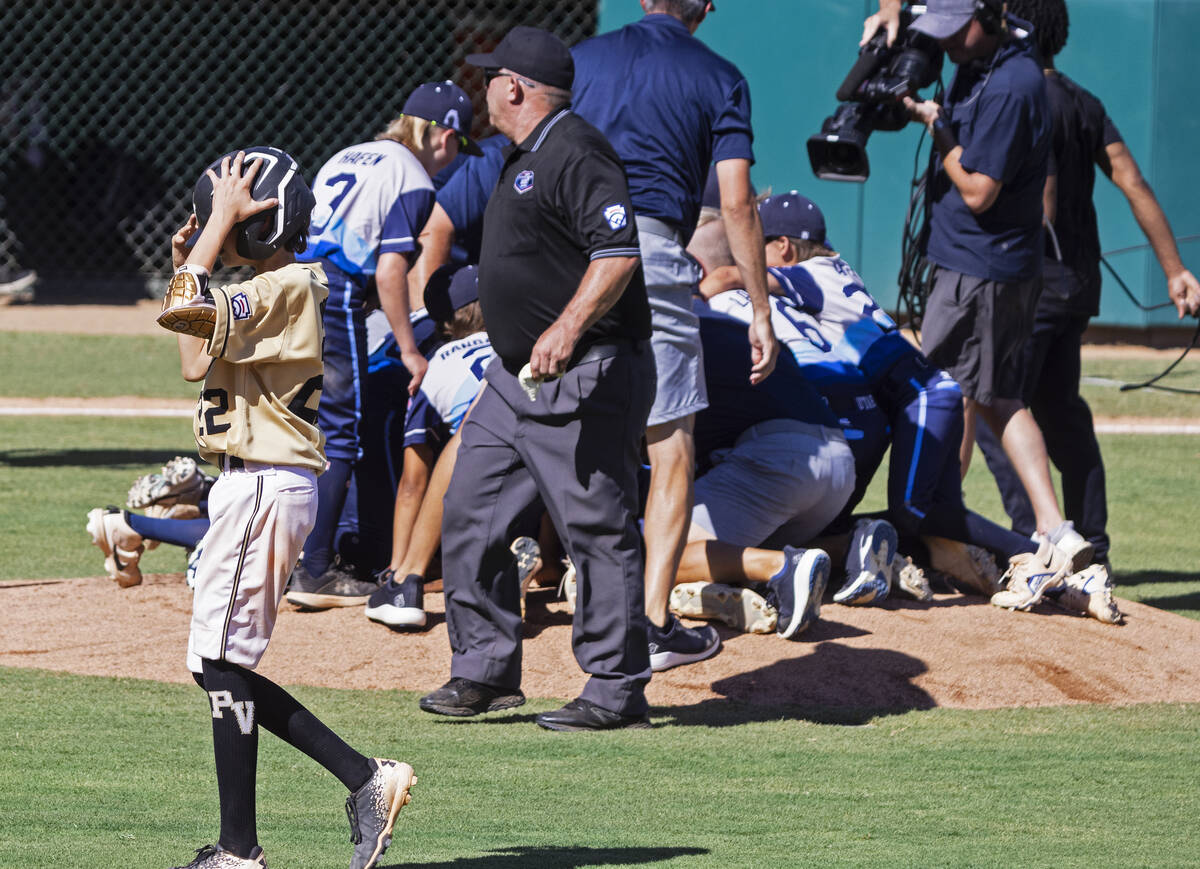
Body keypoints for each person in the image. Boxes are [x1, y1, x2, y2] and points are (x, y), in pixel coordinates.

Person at [158, 149, 415, 869]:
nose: (216, 220)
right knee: (217, 664)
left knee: (221, 660)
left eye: (231, 212)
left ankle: (245, 849)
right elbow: (189, 352)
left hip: (265, 483)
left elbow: (184, 308)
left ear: (261, 220)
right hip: (251, 485)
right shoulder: (268, 288)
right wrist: (199, 252)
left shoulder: (289, 283)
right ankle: (360, 780)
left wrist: (209, 242)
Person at [417, 27, 656, 732]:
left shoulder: (577, 149)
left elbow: (617, 253)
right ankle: (484, 669)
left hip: (583, 371)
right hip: (512, 378)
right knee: (469, 511)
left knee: (596, 527)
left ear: (514, 86)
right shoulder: (522, 154)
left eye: (491, 75)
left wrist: (567, 326)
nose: (484, 85)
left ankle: (615, 689)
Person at [570, 0, 780, 670]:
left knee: (559, 430)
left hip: (570, 252)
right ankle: (651, 625)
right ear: (707, 6)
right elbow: (738, 200)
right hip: (652, 247)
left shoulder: (584, 59)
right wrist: (759, 306)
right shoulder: (719, 76)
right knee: (672, 446)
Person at [974, 0, 1200, 570]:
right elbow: (1133, 182)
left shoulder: (1025, 94)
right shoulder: (1083, 101)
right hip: (1077, 290)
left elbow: (1042, 201)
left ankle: (1034, 537)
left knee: (992, 410)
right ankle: (1091, 545)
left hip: (1033, 289)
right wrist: (1176, 270)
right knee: (1061, 411)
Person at [897, 0, 1092, 610]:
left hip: (980, 268)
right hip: (995, 266)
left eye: (956, 30)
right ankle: (1053, 530)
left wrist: (939, 128)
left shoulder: (1011, 84)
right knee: (996, 396)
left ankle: (938, 528)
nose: (946, 44)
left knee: (948, 393)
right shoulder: (991, 57)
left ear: (987, 16)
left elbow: (979, 191)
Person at [286, 80, 479, 605]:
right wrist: (410, 349)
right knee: (342, 437)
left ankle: (282, 556)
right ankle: (316, 569)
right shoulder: (414, 178)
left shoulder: (351, 153)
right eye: (459, 145)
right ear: (444, 137)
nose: (455, 158)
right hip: (335, 293)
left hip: (294, 285)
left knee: (301, 428)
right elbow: (393, 270)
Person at [366, 264, 493, 629]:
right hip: (542, 476)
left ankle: (404, 584)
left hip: (481, 469)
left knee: (462, 463)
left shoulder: (436, 365)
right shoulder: (514, 348)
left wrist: (396, 565)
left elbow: (412, 485)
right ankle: (549, 564)